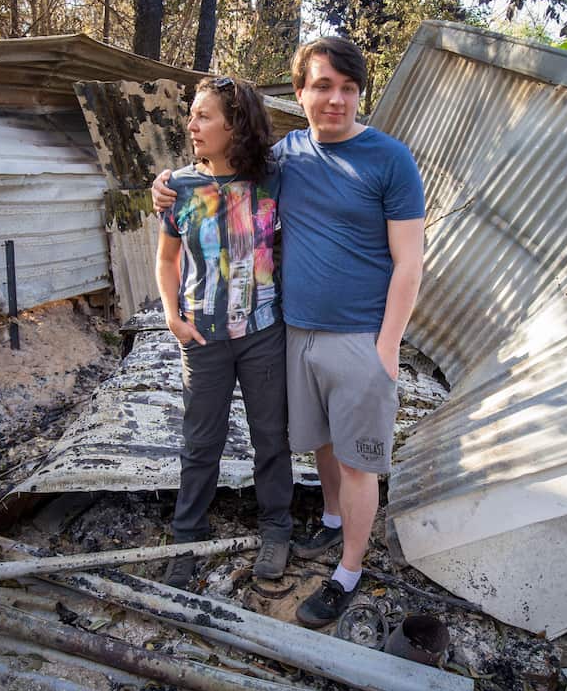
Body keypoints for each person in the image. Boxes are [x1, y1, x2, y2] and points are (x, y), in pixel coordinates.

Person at [154, 39, 424, 626]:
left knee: (354, 460)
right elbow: (216, 177)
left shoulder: (390, 159)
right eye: (323, 86)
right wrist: (165, 185)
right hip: (294, 333)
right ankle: (328, 525)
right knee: (319, 443)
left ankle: (348, 570)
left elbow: (410, 262)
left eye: (348, 88)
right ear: (298, 93)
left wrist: (387, 347)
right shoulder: (284, 159)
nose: (337, 99)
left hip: (356, 338)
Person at [155, 75, 294, 589]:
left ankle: (276, 529)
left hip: (263, 331)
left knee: (271, 437)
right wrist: (172, 314)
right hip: (203, 337)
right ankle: (188, 535)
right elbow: (167, 258)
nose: (191, 124)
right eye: (193, 115)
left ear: (235, 124)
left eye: (203, 115)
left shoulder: (274, 178)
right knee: (200, 441)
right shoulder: (179, 189)